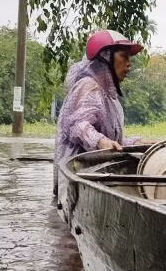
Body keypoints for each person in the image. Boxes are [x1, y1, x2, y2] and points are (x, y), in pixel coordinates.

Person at [54, 30, 144, 191]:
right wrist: (101, 142)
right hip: (76, 183)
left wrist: (138, 143)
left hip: (95, 179)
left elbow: (112, 141)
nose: (129, 64)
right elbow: (79, 126)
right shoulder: (88, 86)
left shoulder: (108, 97)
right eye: (124, 56)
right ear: (106, 57)